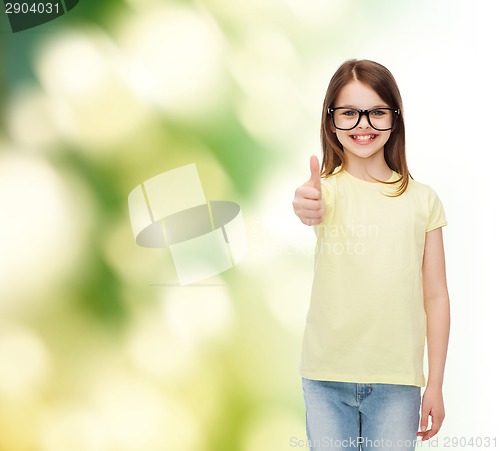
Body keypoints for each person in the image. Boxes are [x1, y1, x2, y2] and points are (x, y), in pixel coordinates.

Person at [292, 59, 450, 451]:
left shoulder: (422, 200)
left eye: (377, 112)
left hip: (398, 382)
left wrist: (436, 384)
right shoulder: (323, 193)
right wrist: (305, 204)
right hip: (325, 377)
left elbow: (436, 296)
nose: (363, 124)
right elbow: (307, 206)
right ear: (331, 121)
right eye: (349, 113)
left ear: (395, 119)